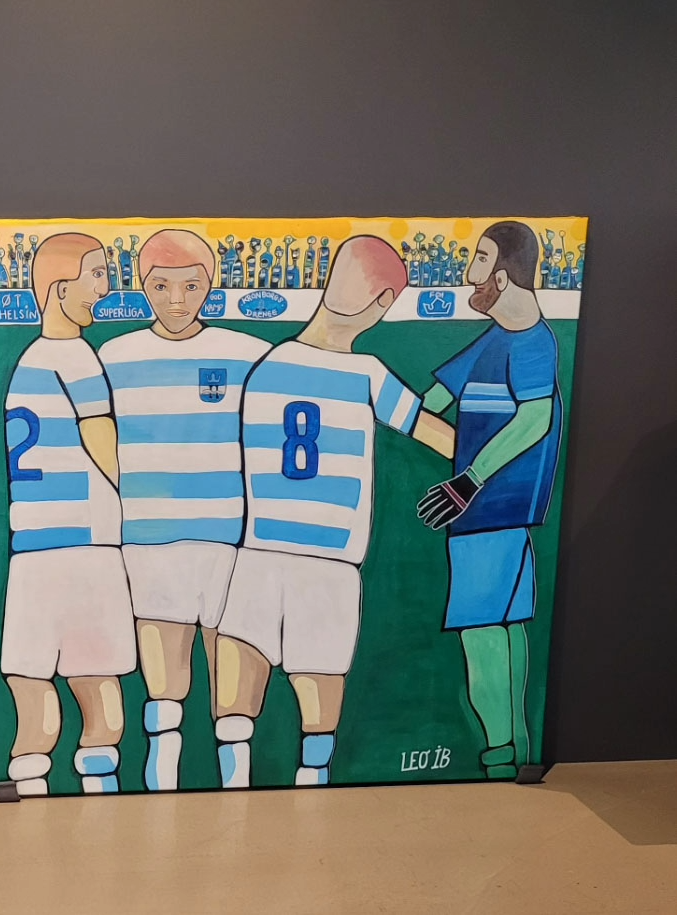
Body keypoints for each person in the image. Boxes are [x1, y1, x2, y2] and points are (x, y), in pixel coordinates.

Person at [214, 236, 455, 788]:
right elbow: (437, 436)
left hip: (261, 550)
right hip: (329, 560)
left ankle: (231, 790)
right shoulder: (368, 374)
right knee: (318, 704)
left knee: (236, 701)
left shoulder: (264, 366)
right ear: (383, 303)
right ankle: (312, 789)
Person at [97, 230, 271, 791]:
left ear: (211, 285)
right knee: (164, 681)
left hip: (230, 538)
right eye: (161, 286)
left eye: (191, 286)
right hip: (149, 539)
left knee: (234, 672)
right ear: (142, 286)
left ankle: (238, 784)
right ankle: (161, 781)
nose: (176, 300)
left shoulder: (247, 354)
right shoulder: (112, 357)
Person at [416, 221, 562, 778]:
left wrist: (467, 481)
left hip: (490, 515)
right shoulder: (494, 339)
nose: (467, 273)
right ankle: (515, 755)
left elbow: (535, 419)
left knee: (483, 636)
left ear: (501, 276)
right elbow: (433, 398)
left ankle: (501, 758)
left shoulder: (532, 343)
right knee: (506, 629)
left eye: (478, 259)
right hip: (494, 517)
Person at [0, 233, 132, 796]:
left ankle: (30, 793)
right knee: (100, 698)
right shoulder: (77, 358)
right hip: (87, 546)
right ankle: (99, 805)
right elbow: (105, 447)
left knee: (33, 694)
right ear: (59, 287)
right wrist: (139, 507)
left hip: (31, 547)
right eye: (96, 274)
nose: (106, 288)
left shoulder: (28, 362)